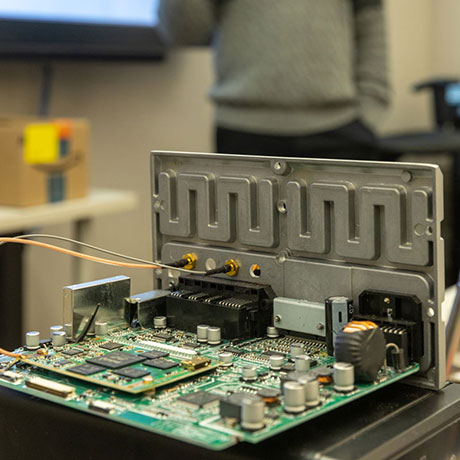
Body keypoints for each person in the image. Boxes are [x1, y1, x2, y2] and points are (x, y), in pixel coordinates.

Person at [158, 0, 390, 160]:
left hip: (340, 132)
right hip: (243, 135)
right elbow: (181, 31)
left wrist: (368, 111)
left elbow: (371, 25)